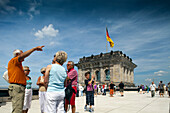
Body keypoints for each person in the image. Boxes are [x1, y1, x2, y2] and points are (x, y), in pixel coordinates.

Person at [8, 46, 44, 113]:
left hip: (19, 88)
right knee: (17, 110)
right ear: (17, 55)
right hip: (17, 88)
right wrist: (34, 49)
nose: (24, 58)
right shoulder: (14, 60)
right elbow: (23, 56)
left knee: (19, 108)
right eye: (22, 55)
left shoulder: (17, 64)